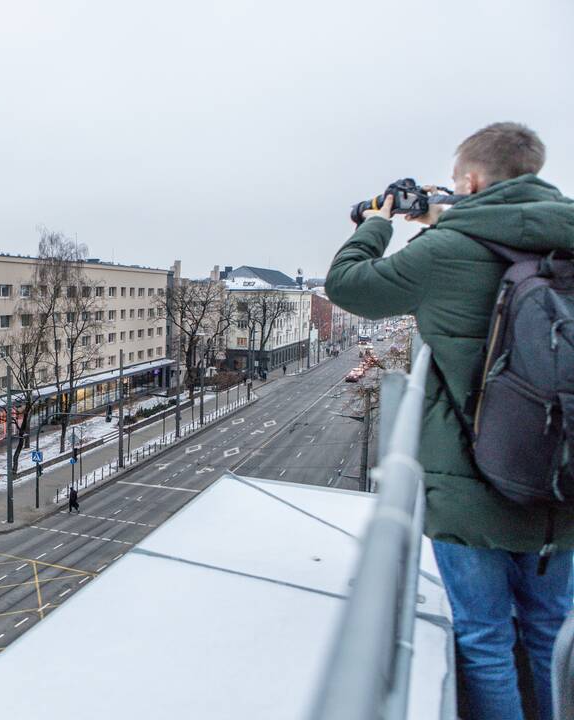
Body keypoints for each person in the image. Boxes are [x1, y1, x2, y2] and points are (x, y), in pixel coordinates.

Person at [325, 122, 574, 720]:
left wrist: (378, 224)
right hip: (563, 477)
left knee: (485, 640)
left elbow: (347, 286)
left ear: (469, 180)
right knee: (548, 632)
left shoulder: (448, 250)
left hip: (471, 484)